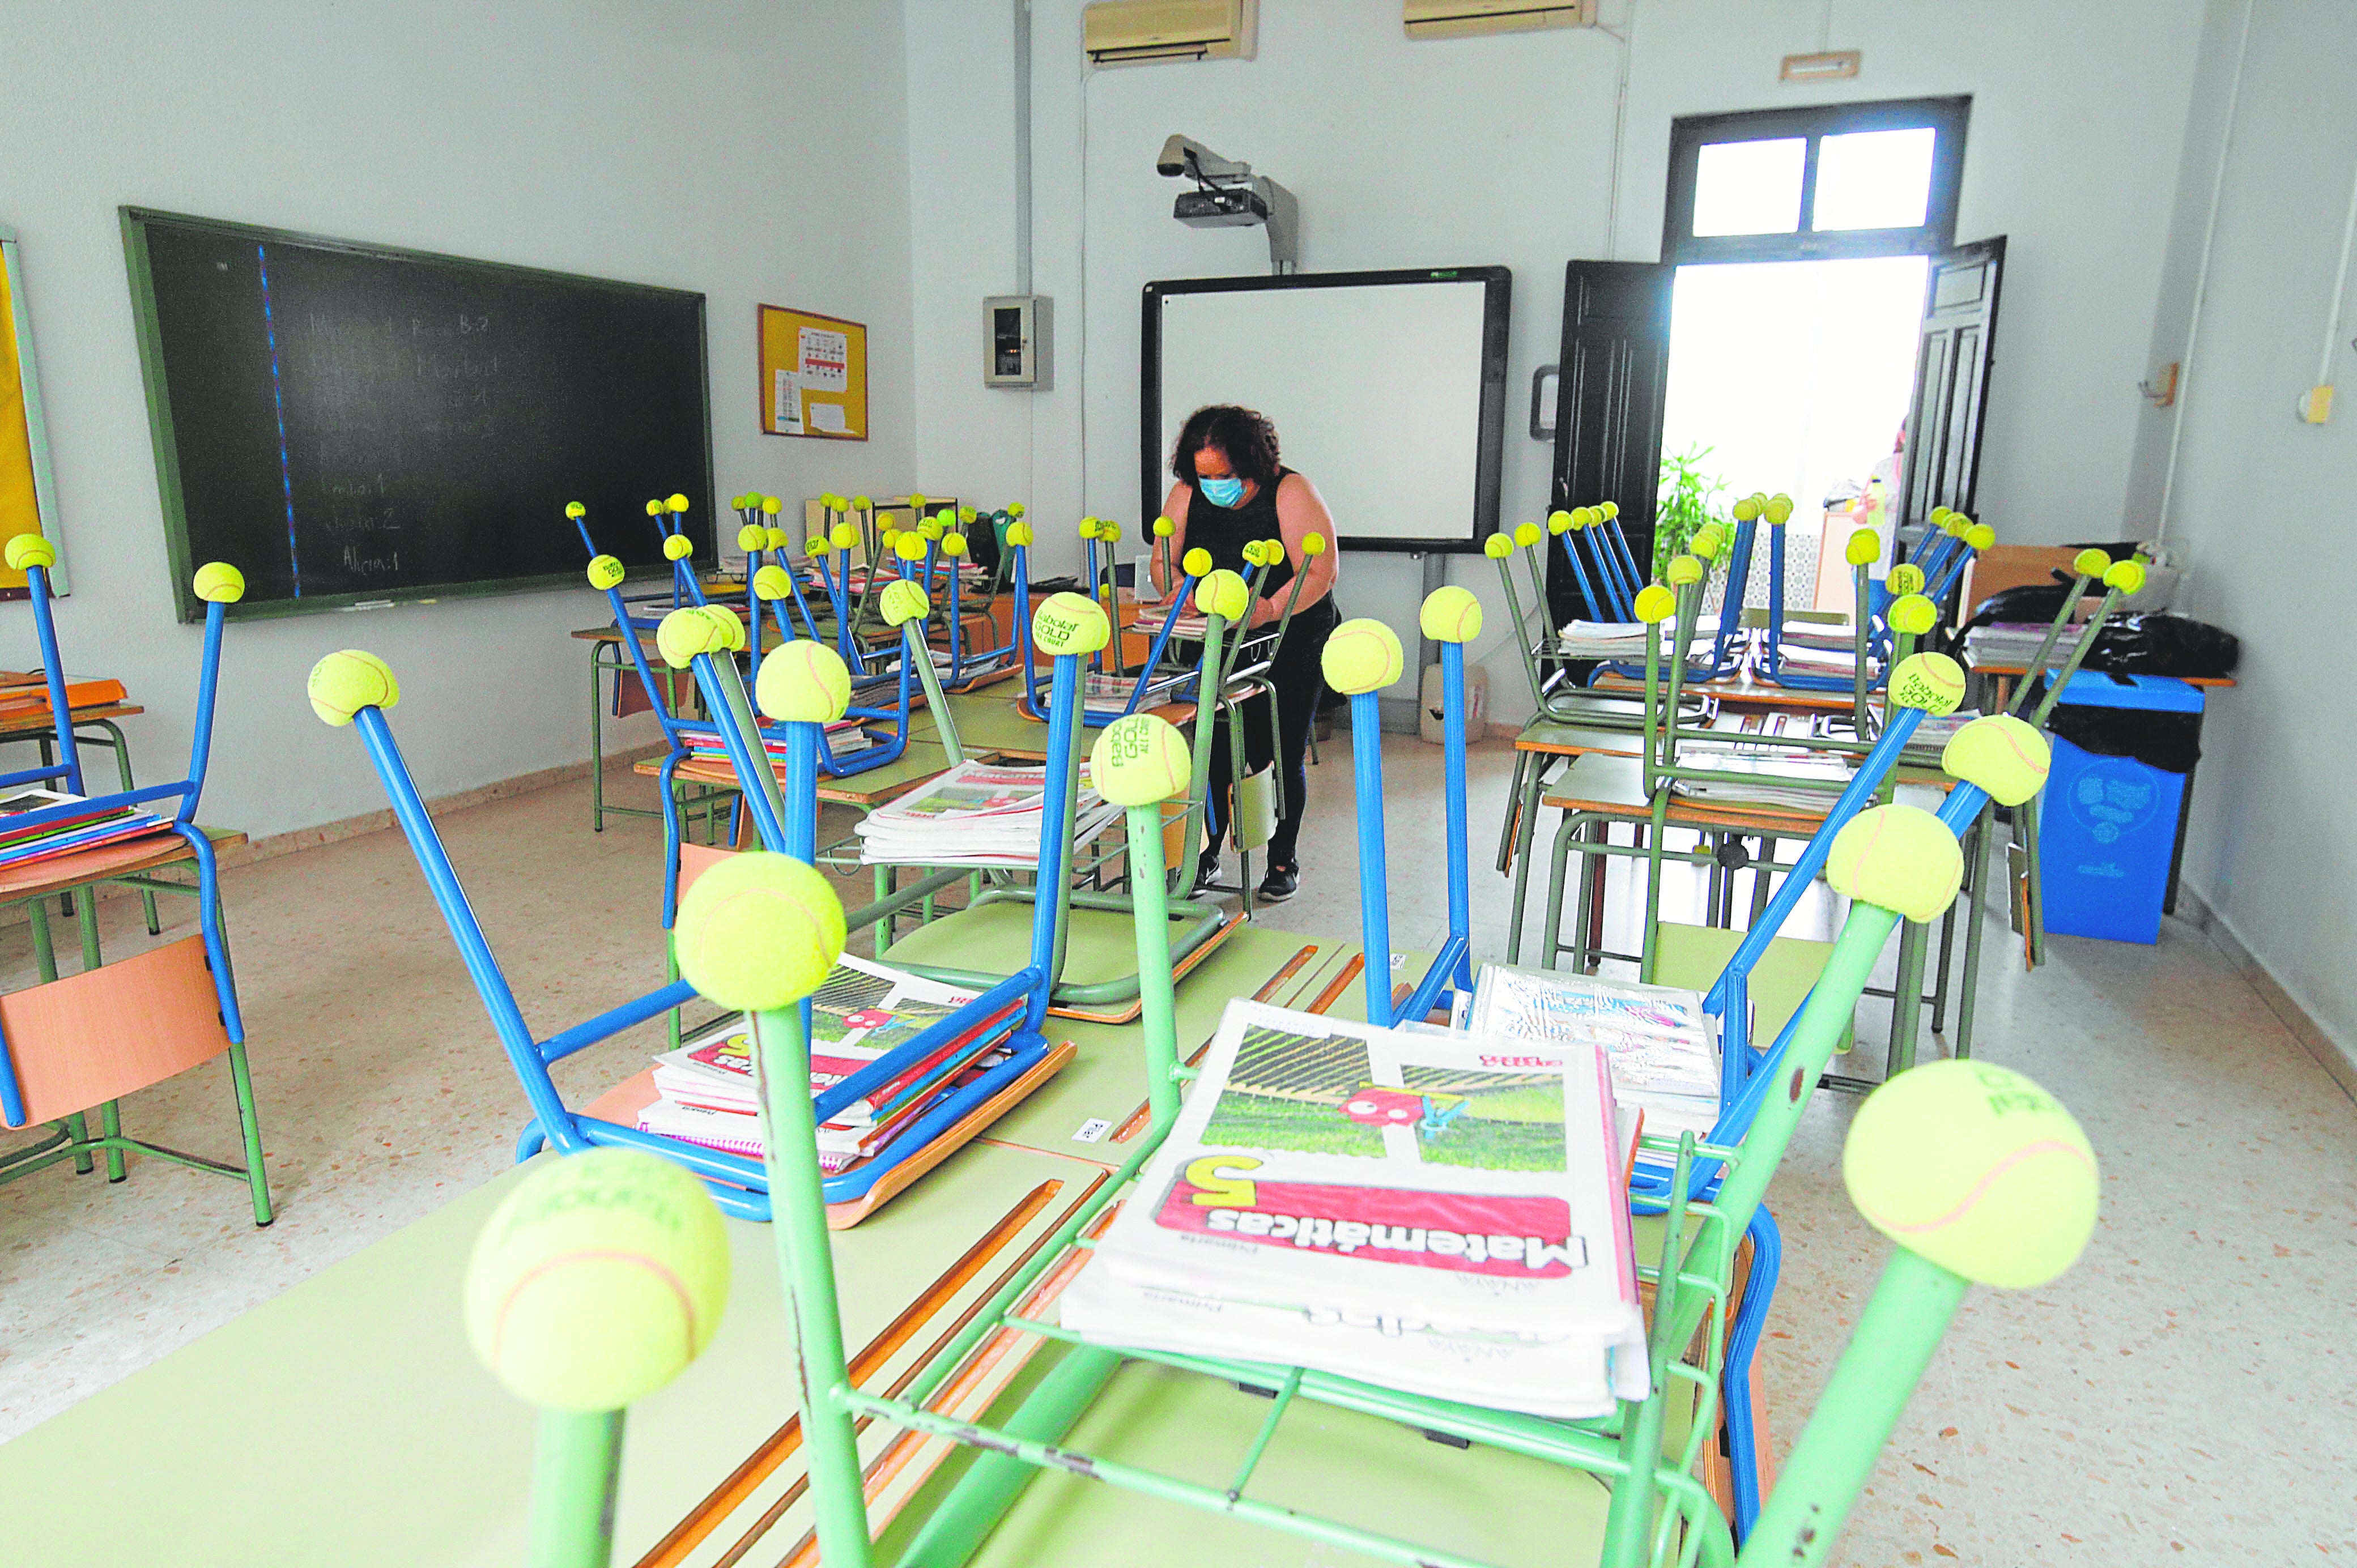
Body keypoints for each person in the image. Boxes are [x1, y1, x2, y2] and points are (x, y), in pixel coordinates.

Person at [1152, 404, 1341, 905]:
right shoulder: (1187, 493)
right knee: (1211, 744)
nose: (1213, 484)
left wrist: (1269, 609)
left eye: (1225, 475)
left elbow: (1320, 573)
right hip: (1220, 638)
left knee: (1280, 746)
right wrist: (1175, 590)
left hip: (1293, 633)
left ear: (1256, 465)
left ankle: (1282, 855)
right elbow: (1163, 559)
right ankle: (1204, 850)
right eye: (1204, 474)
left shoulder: (1292, 492)